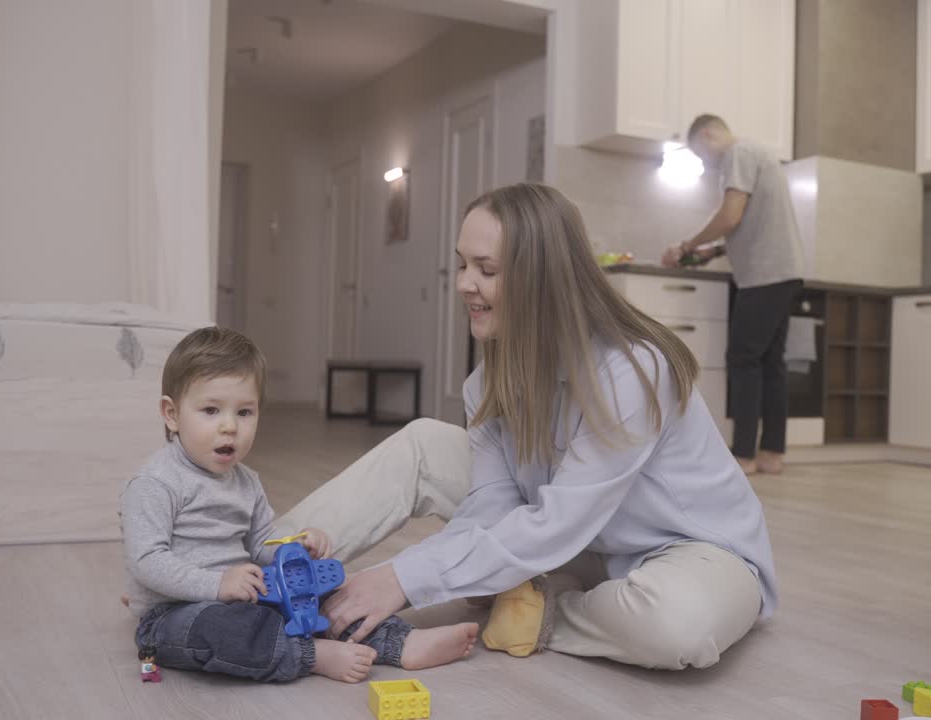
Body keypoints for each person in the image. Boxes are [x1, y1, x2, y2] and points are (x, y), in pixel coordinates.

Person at [266, 183, 777, 671]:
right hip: (584, 543)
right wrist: (406, 577)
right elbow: (490, 506)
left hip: (690, 549)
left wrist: (406, 578)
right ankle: (263, 568)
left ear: (542, 279)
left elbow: (559, 520)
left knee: (675, 626)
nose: (465, 283)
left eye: (485, 269)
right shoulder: (490, 379)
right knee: (425, 441)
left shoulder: (632, 370)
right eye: (463, 264)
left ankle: (538, 609)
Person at [119, 327, 478, 684]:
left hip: (243, 596)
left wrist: (296, 547)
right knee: (221, 629)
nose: (230, 427)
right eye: (211, 411)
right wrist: (217, 584)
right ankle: (310, 655)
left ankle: (400, 643)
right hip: (174, 615)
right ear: (171, 414)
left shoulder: (246, 482)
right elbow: (147, 562)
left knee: (325, 597)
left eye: (244, 412)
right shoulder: (156, 483)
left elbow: (261, 546)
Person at [660, 114, 806, 475]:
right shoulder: (759, 152)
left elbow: (730, 216)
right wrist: (712, 252)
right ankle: (771, 453)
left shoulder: (737, 154)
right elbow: (751, 224)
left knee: (744, 359)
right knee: (771, 364)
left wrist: (685, 245)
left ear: (708, 134)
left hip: (763, 276)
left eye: (700, 154)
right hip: (784, 272)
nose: (705, 163)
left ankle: (743, 454)